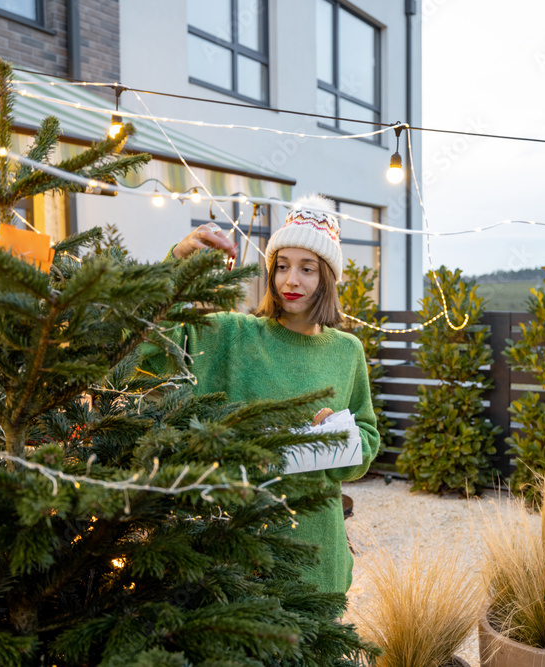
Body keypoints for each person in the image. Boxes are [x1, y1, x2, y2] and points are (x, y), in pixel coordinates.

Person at [143, 194, 378, 595]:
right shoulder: (234, 335)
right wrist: (177, 262)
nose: (291, 280)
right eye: (282, 266)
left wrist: (339, 437)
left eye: (307, 269)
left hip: (319, 544)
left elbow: (368, 440)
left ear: (327, 278)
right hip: (242, 545)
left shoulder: (347, 351)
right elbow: (151, 340)